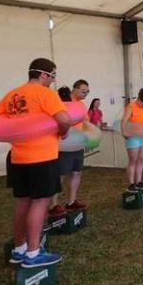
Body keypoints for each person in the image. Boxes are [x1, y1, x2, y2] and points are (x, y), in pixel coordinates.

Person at [0, 58, 71, 267]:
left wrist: (19, 125)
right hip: (42, 157)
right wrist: (63, 132)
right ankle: (34, 253)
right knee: (41, 202)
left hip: (18, 157)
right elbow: (64, 119)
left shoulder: (13, 94)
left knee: (23, 202)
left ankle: (19, 248)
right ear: (43, 74)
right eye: (52, 76)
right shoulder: (45, 94)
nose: (53, 81)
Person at [50, 79, 91, 215]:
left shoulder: (81, 105)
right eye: (83, 91)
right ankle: (53, 205)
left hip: (77, 144)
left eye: (87, 91)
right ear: (75, 89)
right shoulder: (62, 101)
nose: (86, 93)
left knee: (76, 172)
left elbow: (86, 121)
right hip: (64, 144)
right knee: (60, 175)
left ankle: (71, 202)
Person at [120, 88, 143, 189]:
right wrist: (124, 132)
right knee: (133, 160)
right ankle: (131, 183)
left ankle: (138, 181)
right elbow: (124, 121)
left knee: (141, 159)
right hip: (133, 136)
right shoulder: (131, 107)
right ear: (139, 99)